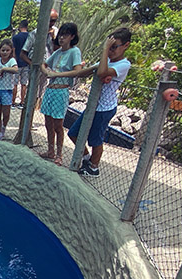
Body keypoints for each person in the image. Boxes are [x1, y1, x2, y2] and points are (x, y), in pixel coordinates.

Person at [69, 28, 132, 177]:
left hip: (105, 108)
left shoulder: (124, 64)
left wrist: (104, 51)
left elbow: (102, 72)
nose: (110, 51)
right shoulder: (106, 61)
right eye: (109, 47)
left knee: (95, 139)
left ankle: (94, 167)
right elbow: (90, 70)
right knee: (73, 133)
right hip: (93, 106)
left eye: (114, 47)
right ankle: (86, 158)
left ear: (126, 45)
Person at [39, 22, 82, 166]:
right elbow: (44, 64)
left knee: (58, 124)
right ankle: (50, 150)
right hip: (50, 89)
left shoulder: (74, 52)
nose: (62, 38)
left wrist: (58, 74)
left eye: (65, 35)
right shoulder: (58, 52)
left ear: (72, 36)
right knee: (48, 122)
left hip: (61, 90)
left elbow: (77, 71)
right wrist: (48, 73)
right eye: (61, 35)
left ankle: (59, 154)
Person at [21, 10, 59, 108]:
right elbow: (23, 53)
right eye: (50, 20)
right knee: (33, 91)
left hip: (49, 69)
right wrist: (32, 64)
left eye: (54, 21)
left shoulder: (56, 32)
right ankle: (30, 111)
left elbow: (57, 49)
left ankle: (40, 110)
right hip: (36, 68)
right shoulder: (35, 33)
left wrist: (54, 37)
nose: (51, 23)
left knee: (44, 91)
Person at [12, 19, 30, 108]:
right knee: (24, 83)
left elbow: (14, 50)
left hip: (17, 62)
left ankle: (13, 101)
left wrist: (14, 61)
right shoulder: (30, 36)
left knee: (14, 83)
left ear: (20, 26)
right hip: (27, 63)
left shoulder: (16, 37)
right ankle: (22, 102)